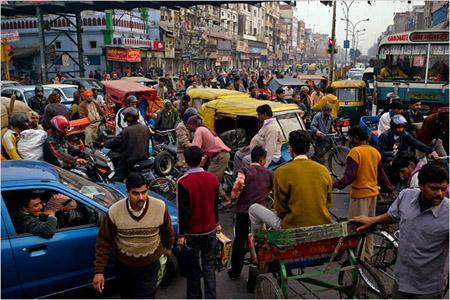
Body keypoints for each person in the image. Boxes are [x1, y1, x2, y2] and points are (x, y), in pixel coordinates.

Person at [352, 164, 449, 299]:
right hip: (401, 279)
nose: (439, 193)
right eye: (434, 188)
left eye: (443, 189)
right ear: (420, 185)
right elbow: (393, 215)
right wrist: (372, 220)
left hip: (428, 288)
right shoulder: (406, 196)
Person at [92, 172, 174, 298]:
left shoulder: (160, 207)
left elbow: (167, 230)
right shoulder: (114, 211)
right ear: (127, 192)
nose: (141, 197)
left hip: (150, 266)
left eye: (144, 192)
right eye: (136, 193)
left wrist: (168, 247)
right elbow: (104, 241)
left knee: (147, 295)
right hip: (125, 267)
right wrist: (99, 271)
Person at [248, 130, 332, 234]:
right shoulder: (323, 170)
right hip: (322, 223)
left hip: (292, 227)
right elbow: (328, 203)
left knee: (253, 209)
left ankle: (260, 243)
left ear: (291, 148)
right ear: (309, 148)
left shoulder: (281, 172)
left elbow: (280, 209)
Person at [333, 126, 394, 260]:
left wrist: (333, 185)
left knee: (357, 227)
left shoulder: (354, 152)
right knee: (369, 226)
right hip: (373, 195)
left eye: (350, 137)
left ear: (355, 137)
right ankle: (367, 253)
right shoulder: (374, 151)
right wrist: (389, 188)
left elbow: (349, 176)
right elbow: (381, 174)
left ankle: (358, 258)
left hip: (360, 195)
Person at [176, 146, 220, 299]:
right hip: (210, 229)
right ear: (201, 159)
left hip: (192, 233)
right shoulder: (212, 178)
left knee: (193, 269)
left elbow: (183, 212)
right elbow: (215, 204)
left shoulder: (182, 182)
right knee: (209, 266)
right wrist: (217, 222)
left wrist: (181, 235)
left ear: (186, 161)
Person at [228, 146, 273, 280]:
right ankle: (258, 272)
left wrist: (233, 196)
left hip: (243, 211)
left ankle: (235, 271)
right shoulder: (269, 174)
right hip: (259, 214)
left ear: (252, 158)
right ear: (263, 160)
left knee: (239, 241)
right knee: (261, 242)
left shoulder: (244, 170)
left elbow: (238, 185)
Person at [233, 104, 283, 174]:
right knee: (238, 154)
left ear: (265, 114)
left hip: (269, 156)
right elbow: (260, 140)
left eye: (259, 115)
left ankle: (247, 181)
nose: (258, 117)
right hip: (258, 150)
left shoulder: (272, 128)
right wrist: (249, 147)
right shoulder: (266, 124)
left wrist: (264, 166)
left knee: (246, 159)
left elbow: (270, 149)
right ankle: (236, 177)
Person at [105, 107, 151, 182]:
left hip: (130, 160)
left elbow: (116, 142)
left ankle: (114, 189)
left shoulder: (127, 131)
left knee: (116, 178)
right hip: (144, 157)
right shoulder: (145, 128)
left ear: (128, 118)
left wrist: (106, 143)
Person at [187, 115, 231, 184]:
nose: (187, 127)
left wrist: (186, 162)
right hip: (221, 155)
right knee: (212, 180)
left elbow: (194, 150)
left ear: (193, 124)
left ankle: (221, 195)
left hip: (219, 157)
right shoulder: (204, 129)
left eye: (188, 124)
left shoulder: (199, 130)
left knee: (210, 180)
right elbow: (208, 149)